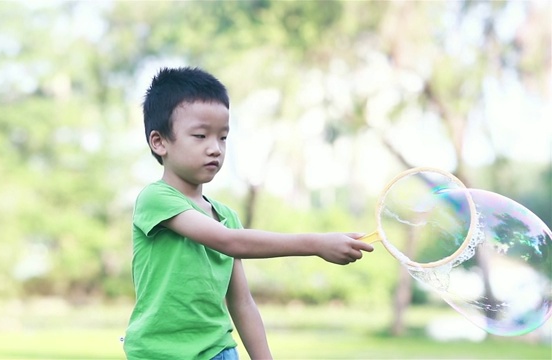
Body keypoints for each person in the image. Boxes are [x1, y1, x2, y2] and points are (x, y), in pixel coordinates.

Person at [124, 67, 374, 360]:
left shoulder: (226, 216)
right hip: (159, 354)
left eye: (223, 137)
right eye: (201, 135)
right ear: (160, 142)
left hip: (219, 352)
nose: (215, 148)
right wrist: (317, 244)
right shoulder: (156, 199)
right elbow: (230, 242)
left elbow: (242, 303)